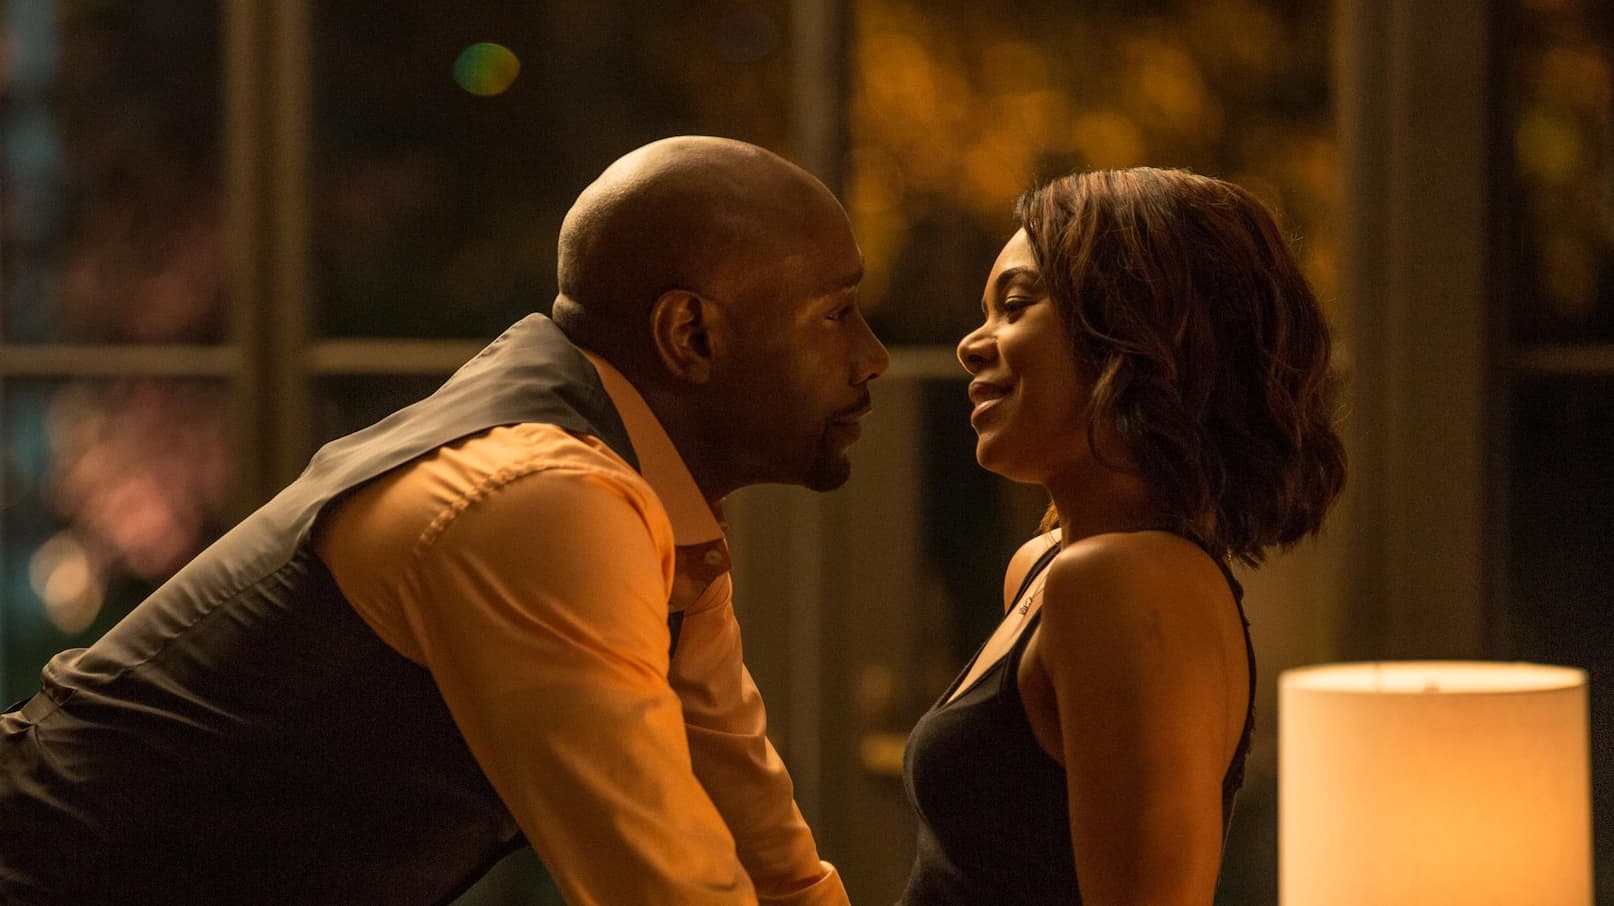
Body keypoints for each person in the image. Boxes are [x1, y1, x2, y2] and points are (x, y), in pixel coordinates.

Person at [0, 136, 888, 905]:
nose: (873, 356)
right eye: (836, 314)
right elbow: (667, 888)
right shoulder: (545, 500)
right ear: (689, 334)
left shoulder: (641, 494)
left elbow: (766, 858)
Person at [899, 168, 1346, 905]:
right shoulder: (1047, 565)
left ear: (1134, 330)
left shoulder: (1121, 581)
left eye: (1015, 306)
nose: (972, 345)